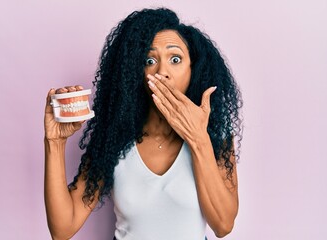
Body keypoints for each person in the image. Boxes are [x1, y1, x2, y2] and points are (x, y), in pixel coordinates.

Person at [44, 7, 242, 240]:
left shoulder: (216, 140)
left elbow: (223, 225)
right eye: (150, 60)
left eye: (175, 59)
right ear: (136, 73)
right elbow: (62, 228)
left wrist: (198, 138)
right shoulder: (113, 140)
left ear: (193, 70)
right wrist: (54, 143)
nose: (162, 72)